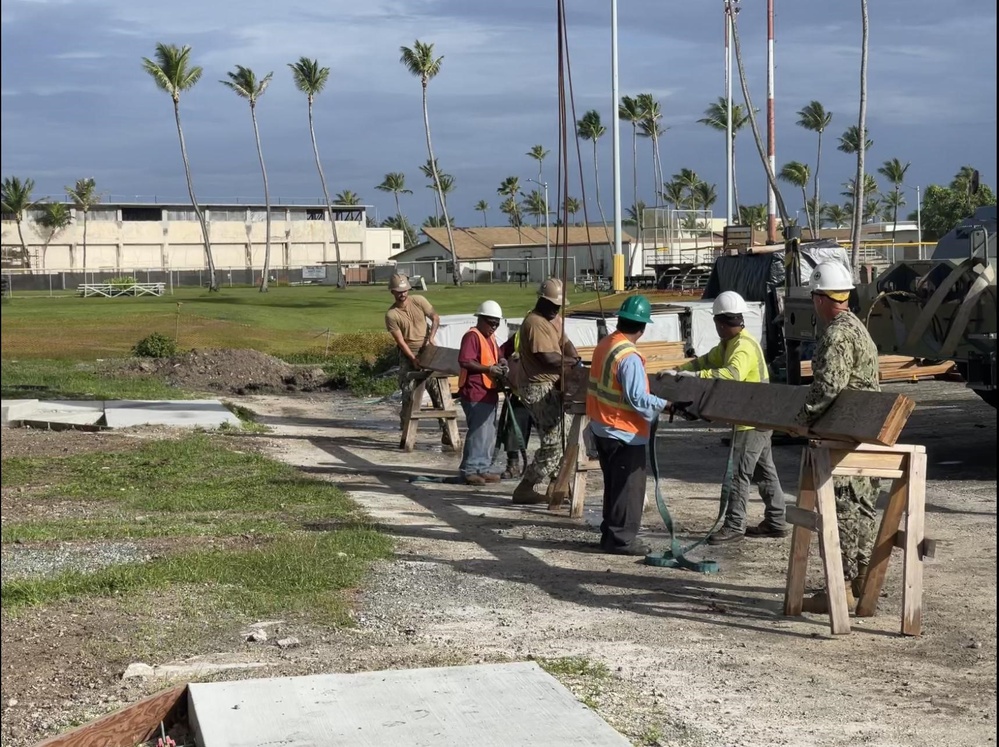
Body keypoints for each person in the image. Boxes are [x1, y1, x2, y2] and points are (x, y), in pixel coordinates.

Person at [668, 291, 789, 544]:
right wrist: (679, 371)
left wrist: (696, 378)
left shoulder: (743, 346)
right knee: (764, 472)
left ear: (720, 323)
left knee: (737, 473)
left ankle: (735, 525)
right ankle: (776, 520)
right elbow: (704, 361)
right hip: (758, 418)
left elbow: (732, 373)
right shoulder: (728, 345)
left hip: (752, 421)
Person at [794, 261, 881, 613]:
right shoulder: (858, 328)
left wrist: (803, 419)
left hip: (844, 436)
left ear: (819, 299)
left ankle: (840, 593)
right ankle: (862, 584)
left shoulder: (836, 334)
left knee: (842, 510)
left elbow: (828, 387)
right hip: (865, 433)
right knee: (862, 510)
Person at [587, 295, 668, 555]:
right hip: (624, 432)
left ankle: (611, 534)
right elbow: (637, 398)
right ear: (642, 328)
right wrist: (667, 405)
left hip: (603, 427)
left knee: (614, 487)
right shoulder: (629, 356)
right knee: (629, 490)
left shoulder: (606, 345)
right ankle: (622, 540)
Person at [511, 278, 582, 505]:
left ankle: (557, 484)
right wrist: (572, 362)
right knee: (554, 442)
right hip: (538, 387)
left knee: (566, 436)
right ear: (541, 300)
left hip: (553, 385)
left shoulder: (555, 320)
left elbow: (565, 344)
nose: (555, 310)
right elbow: (548, 358)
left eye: (558, 306)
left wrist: (575, 357)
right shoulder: (534, 323)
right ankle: (526, 486)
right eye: (552, 305)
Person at [384, 273, 452, 447]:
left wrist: (431, 337)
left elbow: (435, 317)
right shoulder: (392, 315)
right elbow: (400, 341)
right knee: (409, 393)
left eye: (405, 290)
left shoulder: (419, 300)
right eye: (399, 292)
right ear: (392, 292)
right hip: (409, 353)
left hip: (427, 349)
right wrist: (413, 358)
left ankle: (446, 430)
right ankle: (406, 430)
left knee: (437, 391)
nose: (403, 294)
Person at [457, 300, 508, 485]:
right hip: (475, 391)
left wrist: (502, 362)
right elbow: (465, 361)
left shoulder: (491, 338)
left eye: (496, 323)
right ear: (480, 319)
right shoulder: (472, 336)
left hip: (488, 392)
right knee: (478, 432)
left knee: (488, 433)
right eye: (490, 322)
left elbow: (498, 355)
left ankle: (482, 468)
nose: (493, 326)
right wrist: (488, 369)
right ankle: (470, 470)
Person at [498, 331, 533, 478]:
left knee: (549, 434)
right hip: (520, 392)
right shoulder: (519, 335)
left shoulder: (552, 332)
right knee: (513, 429)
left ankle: (548, 468)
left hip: (543, 394)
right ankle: (513, 465)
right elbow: (502, 350)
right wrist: (503, 361)